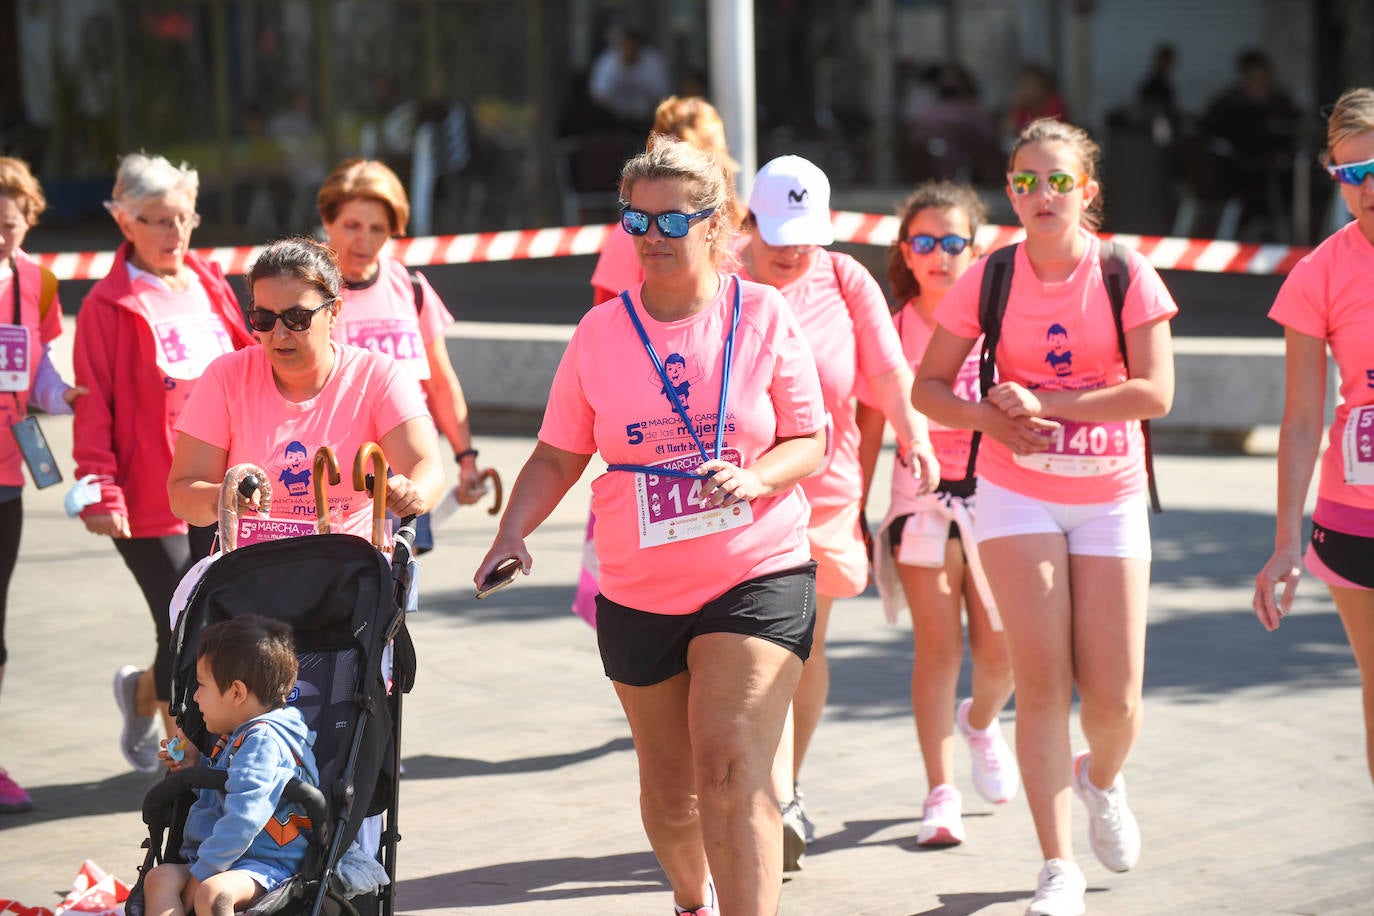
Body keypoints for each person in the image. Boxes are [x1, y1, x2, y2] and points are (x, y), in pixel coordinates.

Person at [473, 137, 826, 916]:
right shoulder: (600, 333)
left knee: (731, 768)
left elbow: (811, 439)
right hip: (637, 588)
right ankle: (689, 899)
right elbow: (556, 456)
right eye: (636, 219)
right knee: (673, 798)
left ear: (716, 225)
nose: (652, 236)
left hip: (756, 567)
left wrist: (758, 475)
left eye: (673, 220)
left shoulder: (761, 313)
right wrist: (511, 532)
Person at [913, 118, 1177, 915]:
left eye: (1058, 180)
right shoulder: (989, 277)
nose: (1040, 195)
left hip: (1111, 494)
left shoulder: (1125, 271)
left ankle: (1100, 778)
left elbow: (1155, 393)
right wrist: (991, 421)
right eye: (1024, 182)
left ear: (1087, 191)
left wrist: (1048, 403)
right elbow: (929, 390)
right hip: (1014, 491)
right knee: (1042, 682)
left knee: (1114, 700)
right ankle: (1057, 865)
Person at [736, 153, 939, 869]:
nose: (793, 247)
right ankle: (764, 792)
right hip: (738, 491)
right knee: (756, 652)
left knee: (803, 647)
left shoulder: (845, 278)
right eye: (779, 230)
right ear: (748, 219)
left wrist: (913, 437)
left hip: (823, 490)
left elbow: (887, 373)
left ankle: (780, 792)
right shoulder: (721, 274)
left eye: (807, 232)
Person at [73, 153, 255, 774]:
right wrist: (100, 488)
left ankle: (141, 694)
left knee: (208, 620)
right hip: (145, 494)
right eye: (157, 220)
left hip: (216, 485)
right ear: (125, 223)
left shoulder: (207, 280)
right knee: (184, 628)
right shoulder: (107, 305)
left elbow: (249, 363)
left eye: (183, 217)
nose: (173, 233)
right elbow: (93, 402)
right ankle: (187, 765)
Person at [856, 181, 1016, 848]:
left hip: (999, 500)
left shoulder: (1004, 321)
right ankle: (939, 792)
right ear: (905, 252)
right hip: (917, 503)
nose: (941, 255)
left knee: (1002, 650)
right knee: (938, 649)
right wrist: (856, 519)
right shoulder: (888, 330)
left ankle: (980, 721)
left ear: (977, 248)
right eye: (926, 242)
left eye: (954, 242)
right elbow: (867, 429)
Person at [578, 96, 741, 624]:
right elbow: (601, 343)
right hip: (645, 459)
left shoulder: (745, 246)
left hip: (734, 474)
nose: (654, 234)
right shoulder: (625, 240)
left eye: (709, 156)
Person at [1254, 87, 1374, 785]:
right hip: (1355, 515)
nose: (1366, 188)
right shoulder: (1319, 273)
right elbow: (1302, 418)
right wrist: (1283, 543)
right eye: (1350, 174)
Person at [168, 237, 444, 539]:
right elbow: (183, 492)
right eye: (263, 319)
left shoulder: (376, 375)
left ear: (334, 312)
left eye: (297, 318)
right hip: (254, 573)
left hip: (350, 570)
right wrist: (224, 497)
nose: (280, 334)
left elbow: (425, 465)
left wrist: (410, 491)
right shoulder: (226, 376)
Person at [317, 158, 486, 547]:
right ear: (327, 221)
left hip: (406, 472)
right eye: (352, 226)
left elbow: (440, 383)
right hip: (338, 478)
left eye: (379, 229)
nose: (365, 241)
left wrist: (466, 458)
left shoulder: (409, 285)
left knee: (392, 598)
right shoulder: (306, 292)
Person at [0, 157, 85, 812]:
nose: (3, 238)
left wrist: (64, 393)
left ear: (28, 220)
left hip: (6, 476)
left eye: (11, 226)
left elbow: (39, 364)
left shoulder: (39, 281)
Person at [143, 614, 319, 915]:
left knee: (212, 894)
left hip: (266, 865)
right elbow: (229, 790)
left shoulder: (263, 740)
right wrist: (197, 764)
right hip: (230, 859)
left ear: (236, 692)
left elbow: (244, 818)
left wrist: (201, 874)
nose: (195, 697)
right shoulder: (243, 736)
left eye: (201, 686)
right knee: (159, 878)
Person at [588, 23, 673, 131]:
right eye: (626, 45)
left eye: (633, 45)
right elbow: (597, 97)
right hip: (613, 120)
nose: (629, 49)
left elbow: (664, 97)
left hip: (646, 120)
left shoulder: (654, 63)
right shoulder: (607, 62)